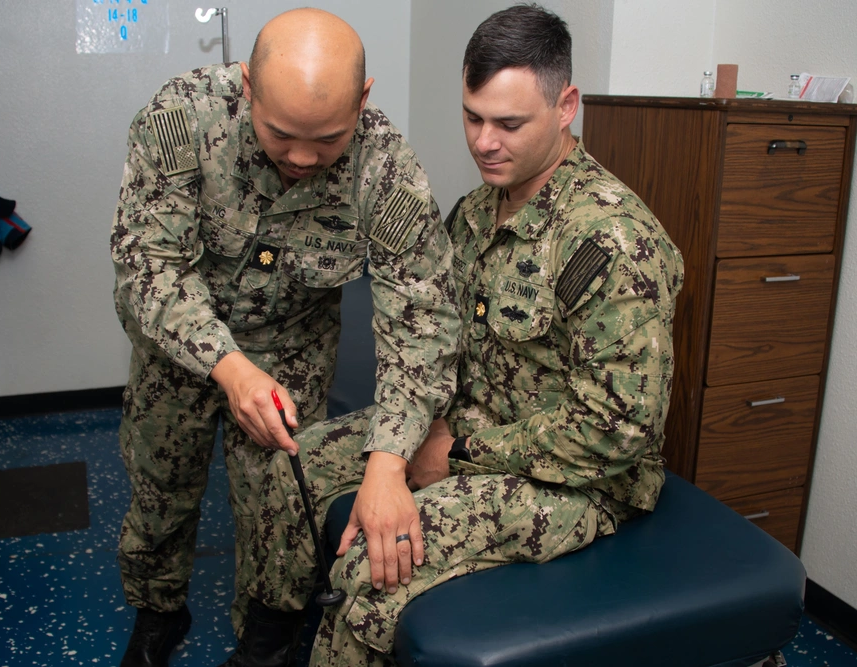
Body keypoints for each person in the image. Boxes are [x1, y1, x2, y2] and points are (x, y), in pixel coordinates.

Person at [227, 4, 686, 666]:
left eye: (509, 123)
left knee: (373, 564)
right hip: (467, 426)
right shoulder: (475, 212)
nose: (484, 142)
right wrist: (415, 436)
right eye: (473, 117)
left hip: (575, 481)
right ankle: (265, 649)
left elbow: (617, 430)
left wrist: (461, 452)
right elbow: (433, 338)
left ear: (566, 108)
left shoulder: (610, 241)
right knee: (287, 464)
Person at [110, 8, 459, 667]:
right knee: (160, 483)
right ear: (246, 86)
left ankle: (265, 633)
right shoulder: (180, 121)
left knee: (283, 498)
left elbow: (425, 321)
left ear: (364, 97)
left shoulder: (384, 169)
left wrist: (389, 457)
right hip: (179, 346)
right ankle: (158, 610)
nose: (303, 157)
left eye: (327, 138)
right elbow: (146, 268)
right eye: (281, 134)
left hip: (292, 344)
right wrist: (229, 366)